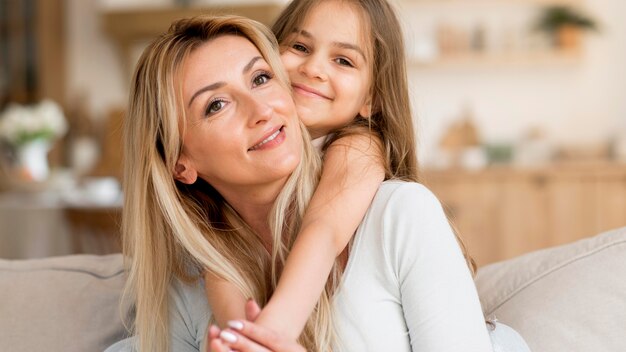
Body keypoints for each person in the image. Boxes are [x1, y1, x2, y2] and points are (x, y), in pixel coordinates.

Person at [105, 13, 499, 352]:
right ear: (180, 163)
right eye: (216, 105)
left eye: (260, 78)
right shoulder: (186, 282)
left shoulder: (399, 214)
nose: (262, 110)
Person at [204, 0, 447, 345]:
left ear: (372, 98)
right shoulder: (237, 171)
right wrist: (244, 338)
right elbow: (222, 257)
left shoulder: (358, 147)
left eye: (344, 60)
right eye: (300, 47)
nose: (314, 68)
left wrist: (274, 329)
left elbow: (324, 230)